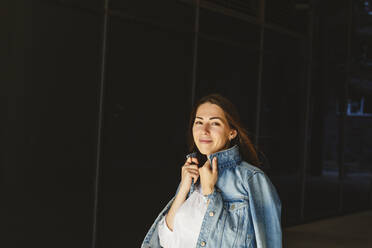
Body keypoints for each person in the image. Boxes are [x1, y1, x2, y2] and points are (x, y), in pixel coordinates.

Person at [141, 94, 282, 248]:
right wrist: (183, 189)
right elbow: (166, 240)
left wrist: (210, 193)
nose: (204, 130)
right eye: (199, 122)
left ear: (232, 133)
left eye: (215, 123)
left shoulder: (251, 179)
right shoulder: (192, 175)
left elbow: (269, 242)